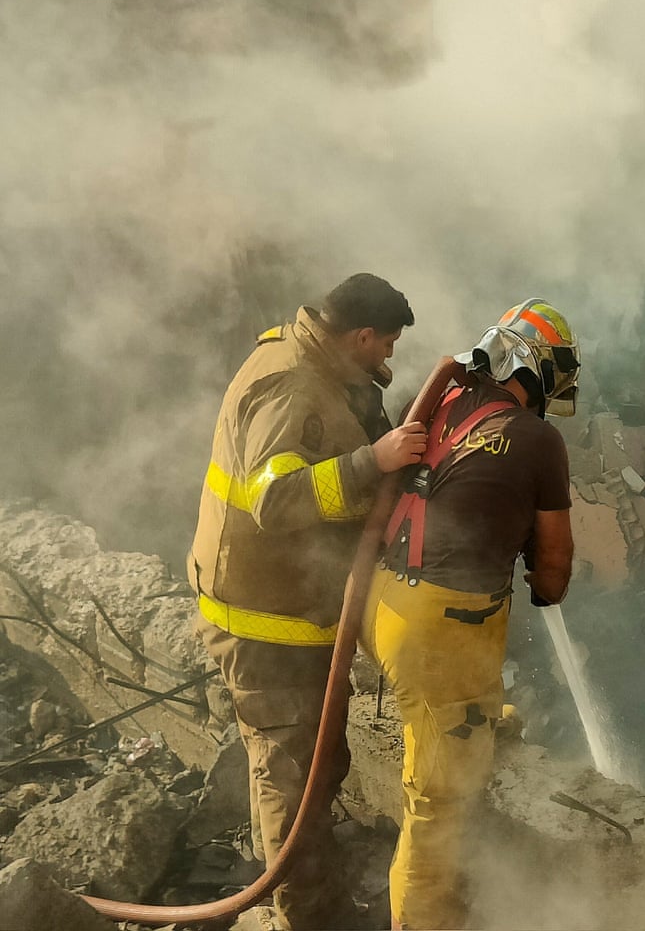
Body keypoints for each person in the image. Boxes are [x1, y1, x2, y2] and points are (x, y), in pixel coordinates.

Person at [188, 272, 428, 931]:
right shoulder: (291, 385)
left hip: (297, 611)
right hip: (265, 625)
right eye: (385, 347)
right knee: (291, 777)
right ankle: (307, 918)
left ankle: (316, 889)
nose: (388, 360)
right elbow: (276, 499)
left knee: (319, 766)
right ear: (359, 335)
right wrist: (371, 462)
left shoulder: (317, 365)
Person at [362, 298, 580, 930]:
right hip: (436, 630)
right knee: (435, 809)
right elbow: (556, 572)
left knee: (464, 717)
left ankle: (472, 724)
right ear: (536, 368)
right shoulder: (538, 438)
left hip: (391, 604)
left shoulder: (445, 402)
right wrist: (542, 576)